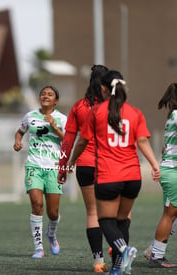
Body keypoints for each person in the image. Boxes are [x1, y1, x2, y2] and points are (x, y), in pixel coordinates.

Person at [66, 70, 160, 275]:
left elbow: (82, 140)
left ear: (103, 88)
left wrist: (71, 160)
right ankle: (117, 268)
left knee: (105, 221)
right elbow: (142, 140)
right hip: (133, 176)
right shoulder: (135, 112)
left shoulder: (97, 111)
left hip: (109, 175)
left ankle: (124, 250)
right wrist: (154, 164)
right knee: (123, 221)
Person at [57, 64, 109, 273]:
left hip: (85, 165)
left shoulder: (79, 106)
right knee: (121, 212)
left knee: (92, 213)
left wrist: (62, 167)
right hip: (110, 165)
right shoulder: (114, 106)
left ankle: (98, 261)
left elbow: (68, 141)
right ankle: (117, 248)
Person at [13, 85, 67, 259]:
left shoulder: (61, 118)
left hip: (54, 168)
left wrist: (54, 127)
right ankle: (38, 248)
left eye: (50, 94)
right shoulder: (30, 116)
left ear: (56, 100)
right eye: (43, 94)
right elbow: (20, 132)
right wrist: (17, 141)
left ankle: (51, 234)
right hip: (34, 166)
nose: (45, 96)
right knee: (37, 205)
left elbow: (68, 141)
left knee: (53, 212)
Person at [145, 83, 177, 268]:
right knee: (169, 215)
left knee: (172, 214)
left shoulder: (173, 115)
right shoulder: (176, 115)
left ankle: (154, 250)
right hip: (173, 171)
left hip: (170, 170)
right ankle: (156, 255)